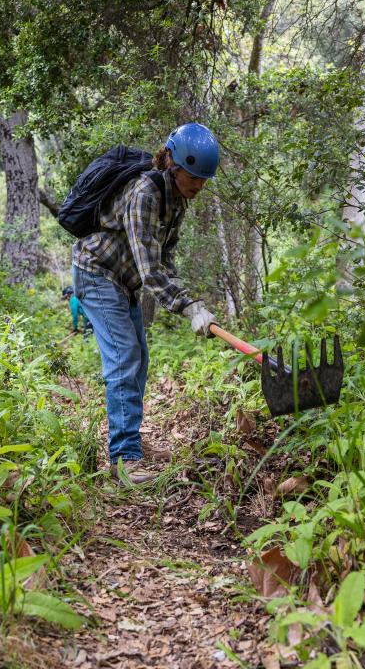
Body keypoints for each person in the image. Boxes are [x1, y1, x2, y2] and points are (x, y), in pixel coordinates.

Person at [71, 123, 219, 484]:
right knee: (125, 357)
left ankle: (131, 441)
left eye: (203, 179)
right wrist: (187, 306)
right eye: (193, 176)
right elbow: (149, 269)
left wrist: (192, 303)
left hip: (123, 281)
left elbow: (164, 260)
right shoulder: (145, 194)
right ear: (172, 163)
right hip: (97, 274)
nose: (198, 186)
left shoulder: (177, 201)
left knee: (139, 358)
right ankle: (123, 459)